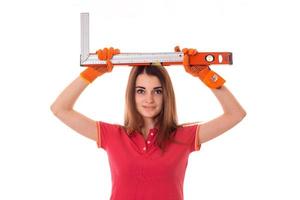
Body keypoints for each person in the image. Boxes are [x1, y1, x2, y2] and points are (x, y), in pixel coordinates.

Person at [51, 47, 246, 200]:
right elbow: (60, 108)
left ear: (166, 95)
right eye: (141, 90)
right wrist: (92, 74)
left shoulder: (183, 137)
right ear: (131, 94)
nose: (149, 99)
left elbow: (235, 114)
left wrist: (206, 75)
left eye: (157, 91)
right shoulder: (113, 135)